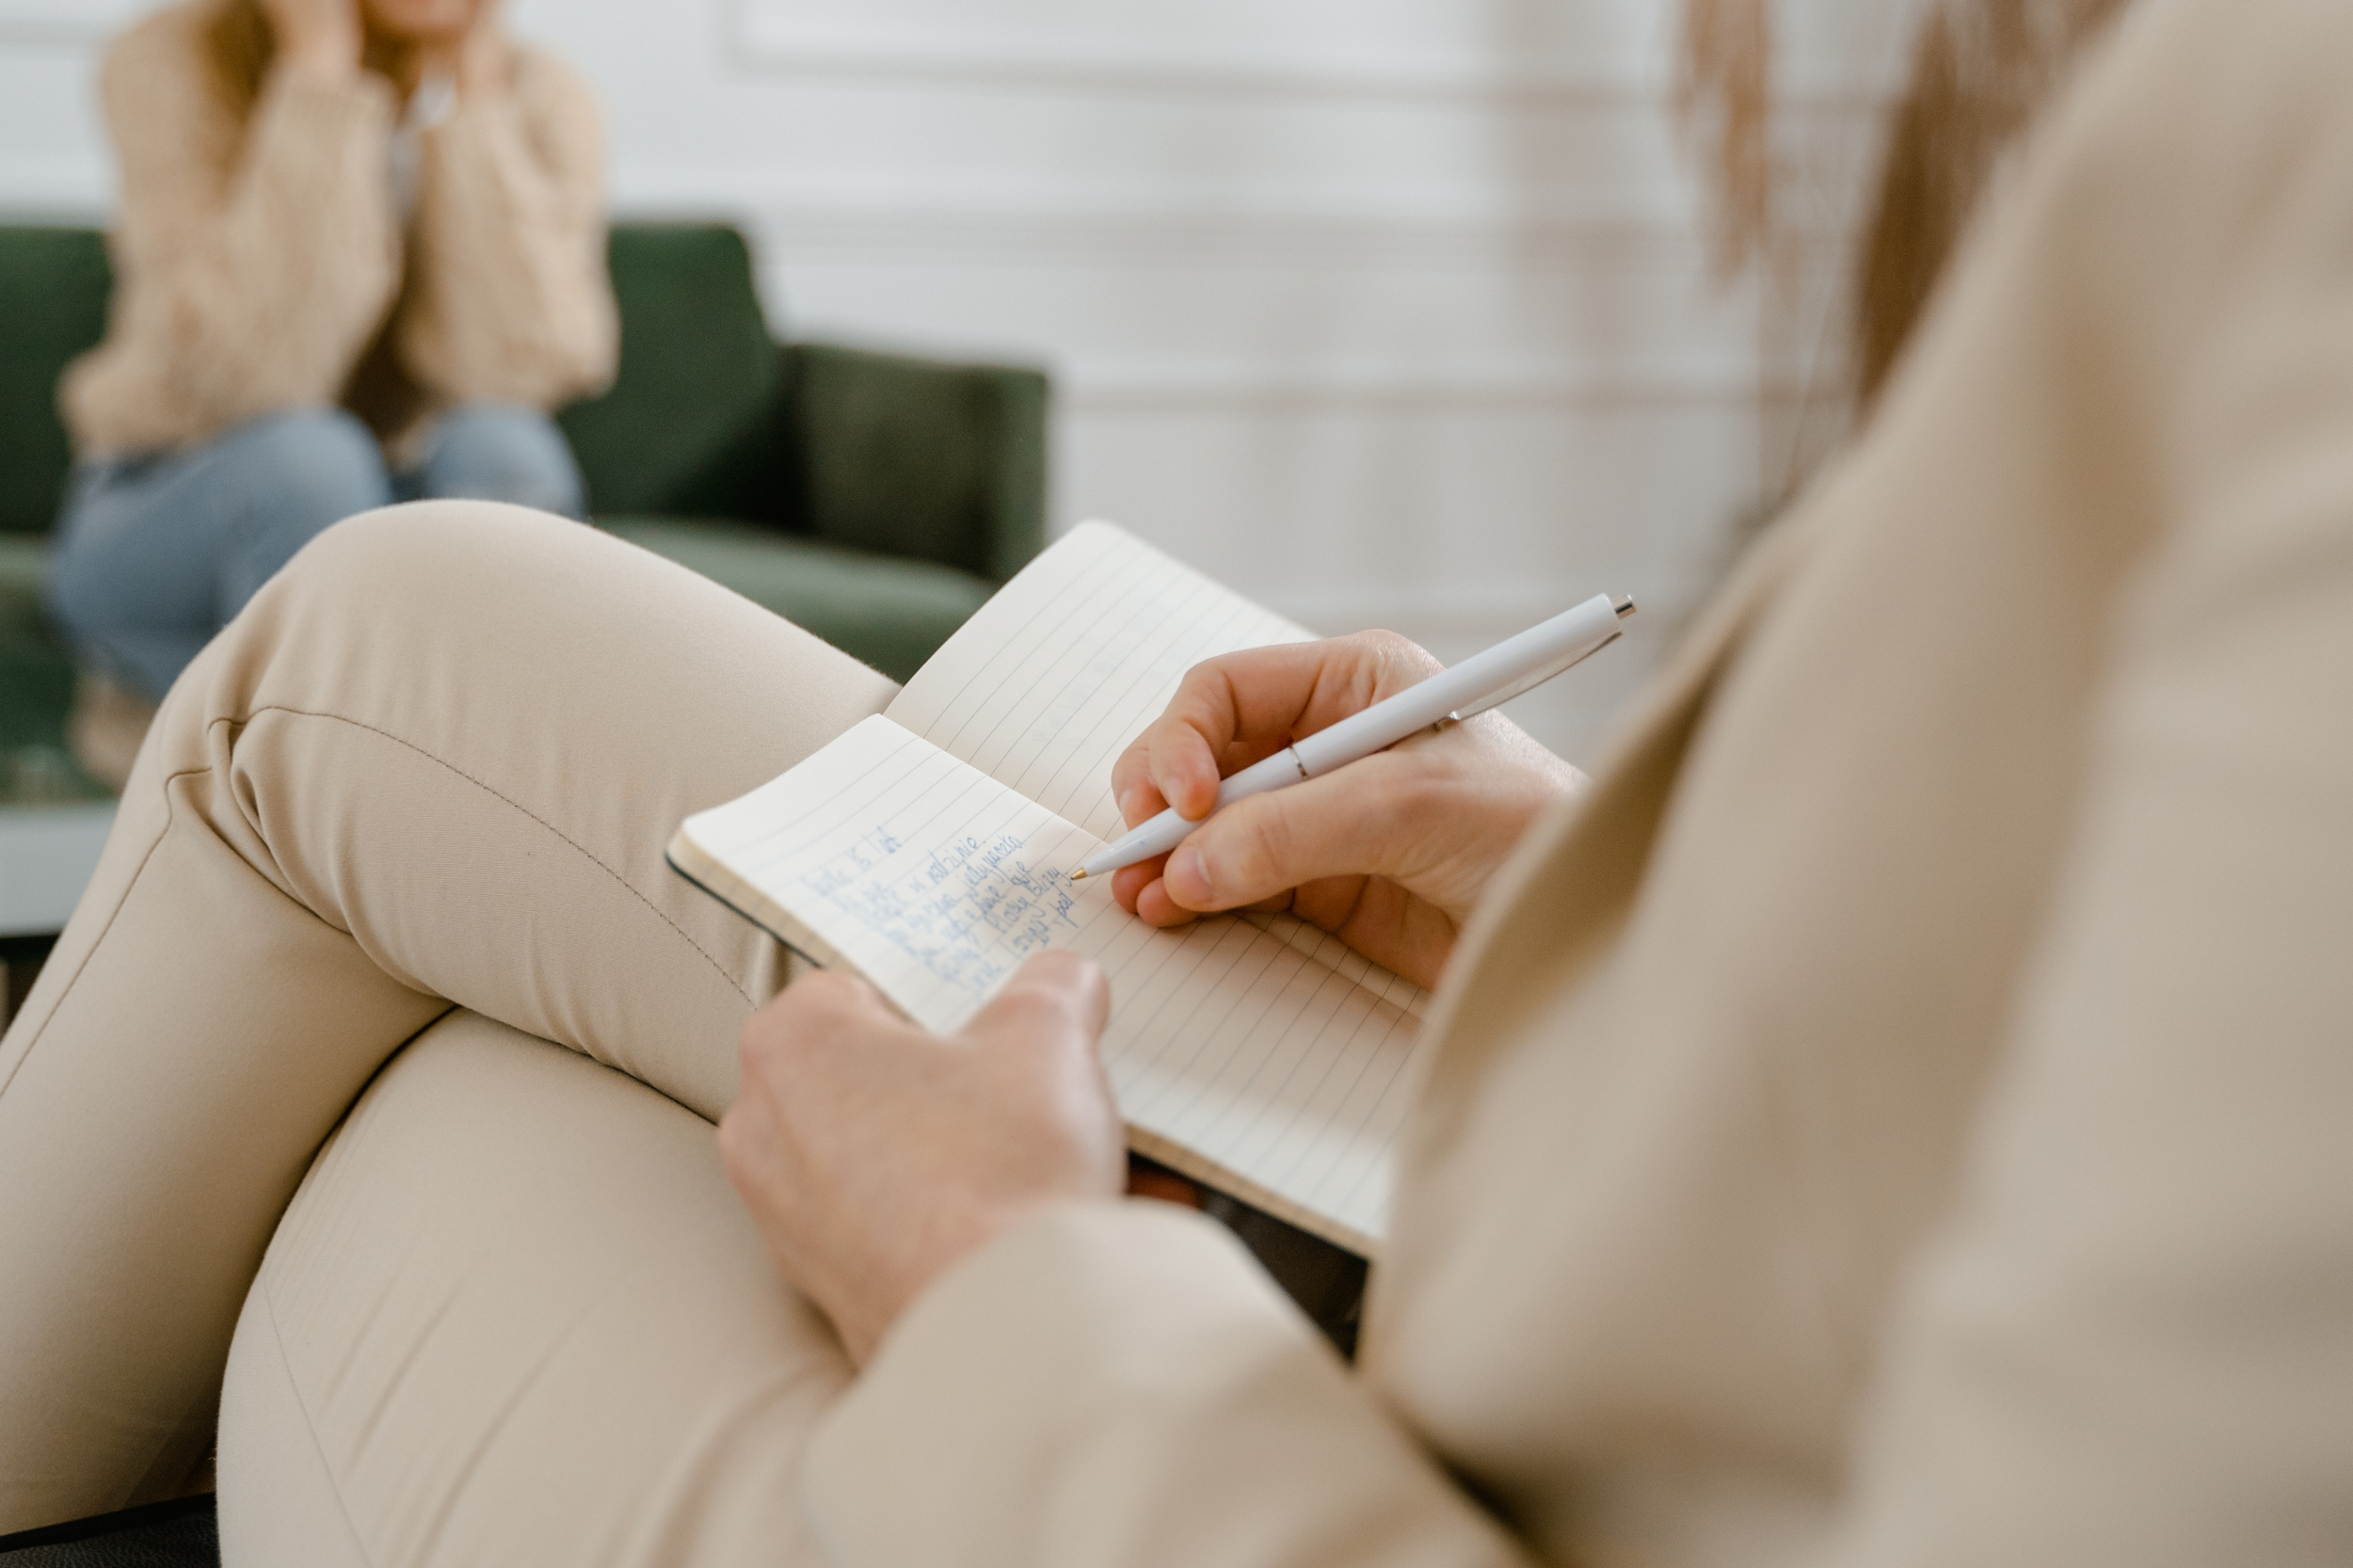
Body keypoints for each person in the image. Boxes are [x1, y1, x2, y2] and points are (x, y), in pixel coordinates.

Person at [5, 0, 2351, 1560]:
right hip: (1544, 1256)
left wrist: (1003, 1279)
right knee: (377, 600)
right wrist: (1577, 906)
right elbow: (222, 351)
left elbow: (538, 347)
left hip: (1310, 1446)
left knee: (432, 1057)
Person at [43, 0, 616, 787]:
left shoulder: (543, 93)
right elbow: (258, 374)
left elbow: (515, 371)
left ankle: (480, 787)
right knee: (310, 462)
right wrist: (318, 75)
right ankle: (332, 799)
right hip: (170, 504)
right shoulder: (172, 60)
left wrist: (475, 108)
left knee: (507, 448)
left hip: (399, 506)